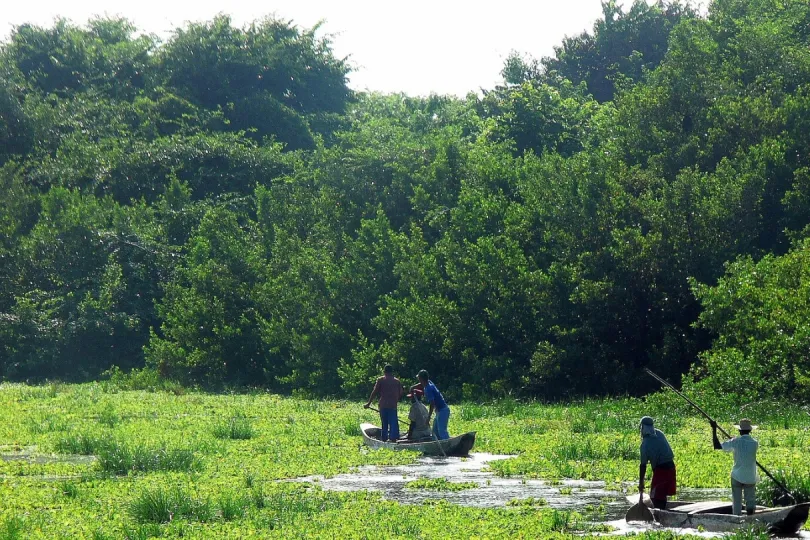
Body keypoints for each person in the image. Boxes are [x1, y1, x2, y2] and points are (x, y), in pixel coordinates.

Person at [712, 418, 759, 516]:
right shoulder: (755, 443)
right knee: (750, 501)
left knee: (736, 501)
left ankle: (736, 517)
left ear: (739, 430)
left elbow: (717, 446)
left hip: (737, 476)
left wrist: (714, 429)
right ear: (750, 431)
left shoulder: (735, 441)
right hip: (750, 476)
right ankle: (751, 518)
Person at [639, 416, 676, 510]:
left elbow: (643, 466)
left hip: (661, 470)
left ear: (642, 428)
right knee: (661, 495)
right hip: (671, 467)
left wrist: (641, 483)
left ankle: (659, 514)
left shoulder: (645, 444)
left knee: (656, 498)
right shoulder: (659, 433)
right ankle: (662, 509)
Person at [364, 365, 404, 442]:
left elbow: (374, 392)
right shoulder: (397, 381)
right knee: (393, 423)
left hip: (383, 405)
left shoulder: (381, 380)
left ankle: (384, 439)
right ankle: (393, 439)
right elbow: (401, 393)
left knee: (384, 424)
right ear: (392, 372)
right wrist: (395, 399)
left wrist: (368, 403)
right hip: (393, 405)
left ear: (384, 372)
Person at [413, 370, 450, 440]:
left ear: (421, 379)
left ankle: (448, 444)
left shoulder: (428, 389)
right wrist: (413, 387)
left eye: (419, 379)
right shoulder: (429, 383)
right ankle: (436, 447)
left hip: (443, 411)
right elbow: (424, 382)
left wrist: (428, 417)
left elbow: (432, 404)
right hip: (439, 411)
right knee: (435, 432)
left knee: (442, 431)